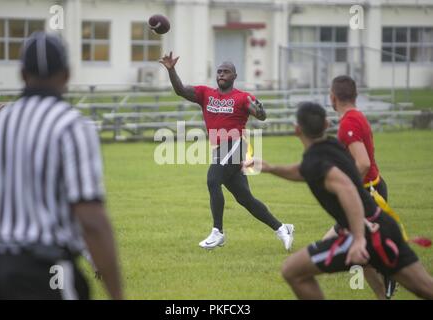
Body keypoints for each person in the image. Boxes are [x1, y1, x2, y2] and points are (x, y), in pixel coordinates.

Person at [243, 102, 433, 299]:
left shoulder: (316, 162)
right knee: (426, 288)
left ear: (297, 129)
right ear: (326, 125)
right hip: (383, 227)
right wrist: (271, 168)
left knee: (293, 271)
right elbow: (303, 171)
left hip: (368, 234)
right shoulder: (330, 146)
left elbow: (347, 189)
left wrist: (359, 239)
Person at [0, 32, 122, 299]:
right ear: (67, 75)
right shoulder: (71, 126)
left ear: (22, 74)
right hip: (41, 271)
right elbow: (91, 220)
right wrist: (116, 293)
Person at [159, 52, 294, 250]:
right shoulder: (206, 94)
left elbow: (260, 115)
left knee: (213, 179)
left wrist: (261, 110)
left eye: (226, 72)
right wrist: (171, 70)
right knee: (245, 199)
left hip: (236, 145)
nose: (222, 74)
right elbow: (180, 90)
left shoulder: (242, 97)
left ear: (234, 76)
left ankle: (217, 232)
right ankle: (282, 228)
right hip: (220, 148)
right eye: (219, 72)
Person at [326, 75, 395, 299]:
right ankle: (386, 287)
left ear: (332, 97)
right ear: (355, 96)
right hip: (370, 190)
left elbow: (363, 163)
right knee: (357, 251)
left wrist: (347, 186)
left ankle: (391, 273)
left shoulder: (349, 122)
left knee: (332, 246)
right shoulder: (356, 116)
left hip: (367, 194)